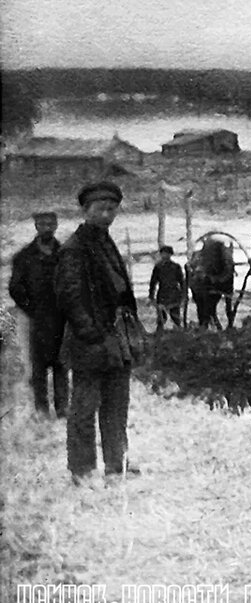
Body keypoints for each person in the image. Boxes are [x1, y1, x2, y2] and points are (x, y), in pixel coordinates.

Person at [56, 182, 142, 485]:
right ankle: (81, 471)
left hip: (116, 337)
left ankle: (116, 465)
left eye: (111, 209)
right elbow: (69, 297)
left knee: (117, 404)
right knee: (84, 406)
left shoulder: (105, 242)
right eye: (99, 209)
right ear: (85, 210)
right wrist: (90, 334)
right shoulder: (74, 249)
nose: (106, 214)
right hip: (90, 341)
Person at [8, 211, 67, 417]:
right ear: (36, 227)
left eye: (51, 224)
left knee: (61, 363)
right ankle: (41, 409)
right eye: (42, 224)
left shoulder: (65, 254)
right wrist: (31, 308)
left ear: (56, 225)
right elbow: (15, 288)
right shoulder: (24, 257)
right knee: (38, 366)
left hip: (61, 318)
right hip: (36, 319)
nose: (47, 228)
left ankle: (62, 408)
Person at [148, 245, 185, 332]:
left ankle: (179, 333)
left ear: (170, 255)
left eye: (167, 254)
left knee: (175, 316)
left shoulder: (176, 267)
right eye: (163, 253)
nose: (165, 256)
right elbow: (153, 282)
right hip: (163, 294)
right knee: (161, 318)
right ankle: (159, 334)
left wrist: (184, 294)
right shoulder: (158, 267)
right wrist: (151, 295)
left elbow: (182, 282)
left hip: (174, 294)